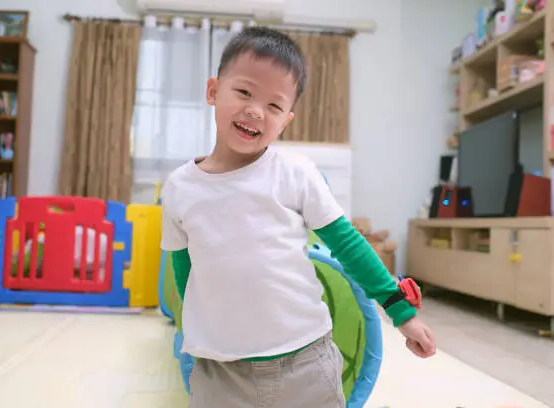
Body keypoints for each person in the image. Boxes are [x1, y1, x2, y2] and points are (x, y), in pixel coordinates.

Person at [161, 26, 436, 408]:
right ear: (213, 91)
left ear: (286, 120)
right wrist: (191, 334)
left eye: (274, 106)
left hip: (307, 364)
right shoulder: (179, 187)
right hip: (220, 373)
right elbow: (183, 267)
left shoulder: (295, 174)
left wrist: (400, 311)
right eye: (243, 92)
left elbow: (348, 244)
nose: (255, 110)